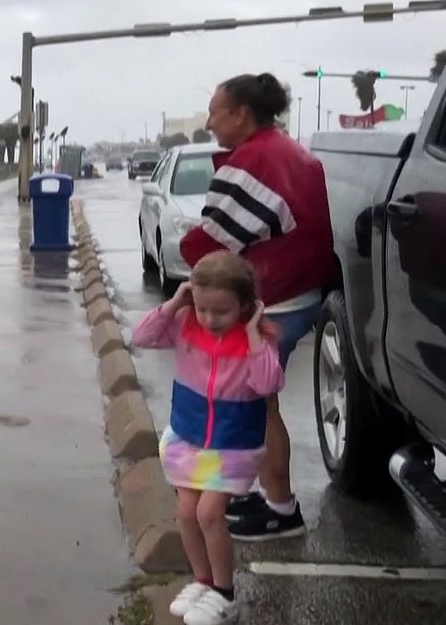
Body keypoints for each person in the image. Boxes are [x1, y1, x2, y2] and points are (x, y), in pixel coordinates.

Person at [180, 72, 334, 541]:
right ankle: (244, 491)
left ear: (241, 114)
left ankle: (282, 509)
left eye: (214, 111)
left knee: (257, 407)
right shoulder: (288, 151)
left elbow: (209, 245)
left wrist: (193, 257)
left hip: (276, 302)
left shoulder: (253, 162)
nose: (209, 122)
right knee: (252, 406)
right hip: (300, 293)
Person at [132, 252, 284, 625]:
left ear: (245, 305)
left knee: (209, 514)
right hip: (189, 437)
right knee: (186, 514)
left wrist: (252, 337)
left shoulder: (257, 341)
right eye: (202, 309)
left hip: (233, 444)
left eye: (222, 311)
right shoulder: (185, 324)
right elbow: (142, 336)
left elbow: (268, 384)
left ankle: (224, 593)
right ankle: (203, 581)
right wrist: (174, 304)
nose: (210, 319)